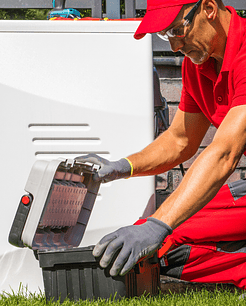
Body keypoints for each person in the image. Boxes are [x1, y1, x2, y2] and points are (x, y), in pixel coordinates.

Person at [76, 0, 246, 287]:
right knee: (164, 241)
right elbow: (181, 140)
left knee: (162, 226)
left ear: (209, 9)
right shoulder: (200, 64)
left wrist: (159, 224)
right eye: (167, 35)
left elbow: (224, 153)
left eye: (178, 29)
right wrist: (122, 167)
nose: (175, 47)